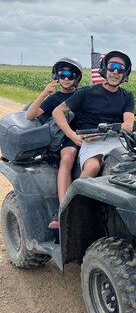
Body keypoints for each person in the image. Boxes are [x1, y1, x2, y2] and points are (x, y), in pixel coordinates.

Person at [50, 51, 135, 228]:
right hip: (92, 142)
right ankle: (69, 210)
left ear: (125, 74)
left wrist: (105, 131)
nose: (116, 72)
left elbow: (128, 125)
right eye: (112, 67)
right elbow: (58, 111)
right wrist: (71, 134)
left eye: (120, 69)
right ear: (105, 69)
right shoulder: (87, 93)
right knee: (92, 167)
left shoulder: (127, 96)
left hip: (117, 140)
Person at [25, 57, 83, 213]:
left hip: (83, 134)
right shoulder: (54, 99)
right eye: (62, 75)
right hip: (63, 139)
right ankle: (64, 207)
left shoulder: (82, 95)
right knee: (68, 156)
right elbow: (30, 115)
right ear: (56, 76)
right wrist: (44, 93)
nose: (65, 79)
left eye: (70, 75)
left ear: (76, 78)